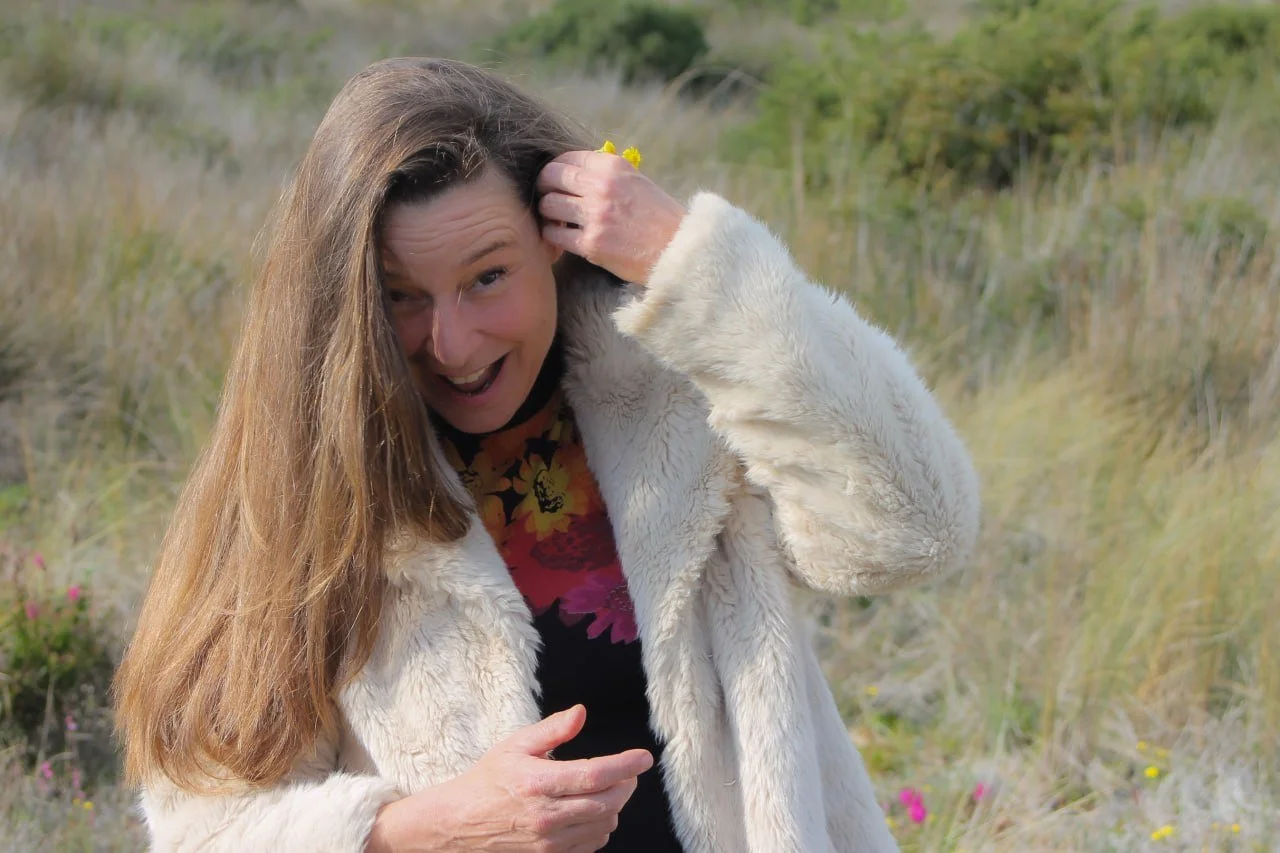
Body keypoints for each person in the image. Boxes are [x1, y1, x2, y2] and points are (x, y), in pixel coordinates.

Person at [111, 57, 980, 853]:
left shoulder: (683, 386)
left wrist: (695, 267)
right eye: (401, 297)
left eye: (488, 277)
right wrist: (412, 830)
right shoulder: (304, 483)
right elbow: (202, 826)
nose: (452, 343)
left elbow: (916, 529)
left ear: (555, 242)